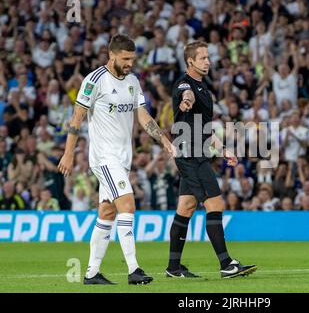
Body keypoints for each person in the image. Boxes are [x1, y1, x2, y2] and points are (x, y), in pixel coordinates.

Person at [58, 35, 174, 285]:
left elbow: (143, 116)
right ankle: (134, 270)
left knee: (107, 213)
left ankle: (91, 273)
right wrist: (68, 153)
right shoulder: (94, 80)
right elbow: (76, 119)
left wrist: (163, 140)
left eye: (133, 59)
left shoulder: (133, 81)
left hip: (123, 158)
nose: (130, 63)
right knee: (128, 206)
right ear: (112, 55)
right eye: (126, 59)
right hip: (104, 157)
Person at [166, 40, 257, 279]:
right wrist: (186, 100)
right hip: (190, 154)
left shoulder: (203, 87)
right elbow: (185, 94)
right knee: (215, 204)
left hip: (197, 151)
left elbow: (204, 128)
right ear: (190, 61)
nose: (208, 61)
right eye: (203, 58)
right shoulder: (186, 84)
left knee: (185, 208)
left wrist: (223, 149)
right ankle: (227, 264)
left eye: (208, 57)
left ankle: (173, 268)